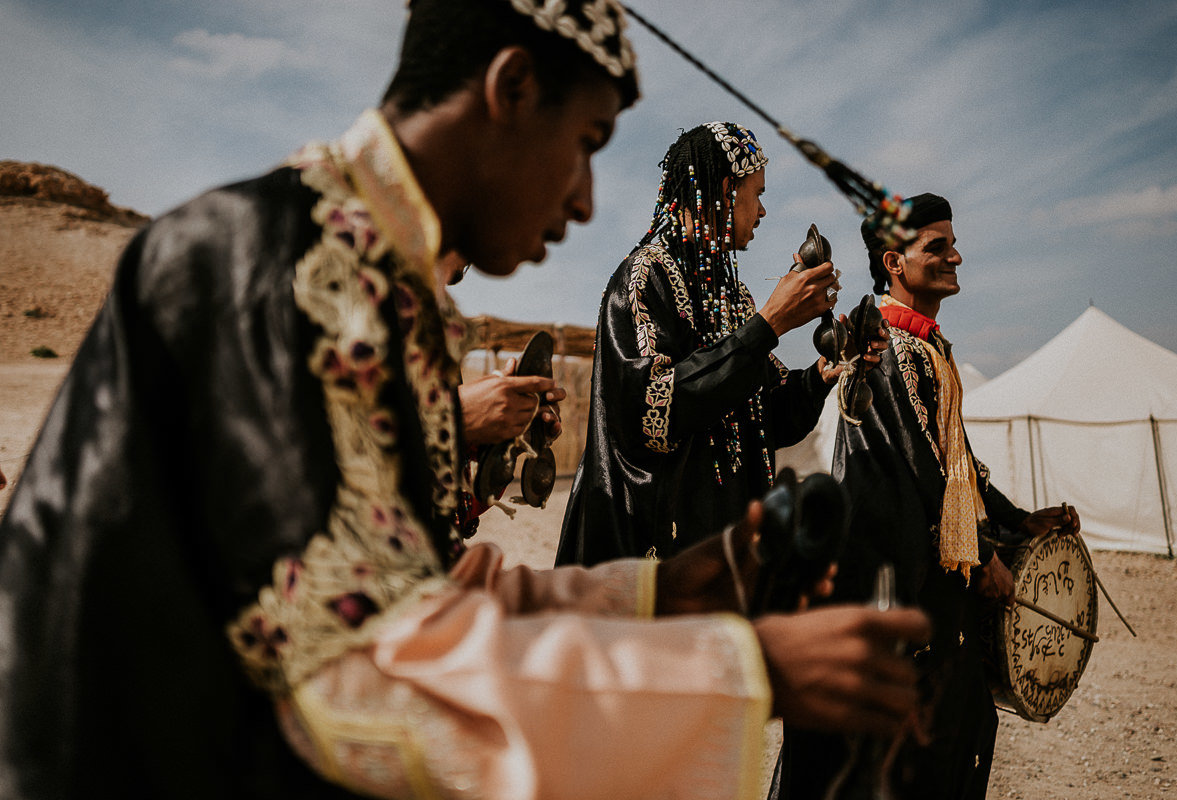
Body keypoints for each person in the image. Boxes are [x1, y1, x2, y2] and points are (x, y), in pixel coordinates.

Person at [0, 2, 929, 798]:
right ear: (511, 88)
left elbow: (407, 587)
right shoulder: (281, 262)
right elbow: (354, 679)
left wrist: (664, 590)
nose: (584, 200)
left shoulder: (379, 283)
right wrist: (741, 671)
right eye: (586, 146)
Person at [770, 193, 1081, 800]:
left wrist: (1021, 521)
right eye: (936, 247)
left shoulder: (927, 346)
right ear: (894, 262)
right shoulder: (879, 344)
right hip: (895, 587)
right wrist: (982, 557)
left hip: (930, 585)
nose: (956, 256)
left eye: (951, 243)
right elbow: (912, 475)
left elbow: (957, 466)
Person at [557, 121, 874, 567]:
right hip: (653, 552)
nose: (762, 210)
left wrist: (825, 371)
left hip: (726, 544)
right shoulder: (645, 277)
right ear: (727, 189)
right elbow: (654, 412)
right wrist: (769, 324)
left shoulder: (732, 297)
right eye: (758, 193)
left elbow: (772, 417)